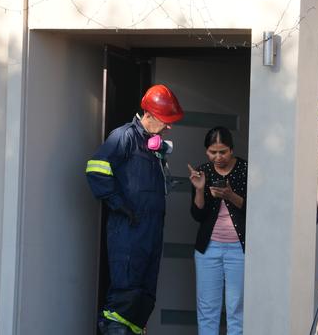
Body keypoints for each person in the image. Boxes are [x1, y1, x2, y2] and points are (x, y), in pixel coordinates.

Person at [85, 84, 184, 335]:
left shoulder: (153, 145)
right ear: (148, 115)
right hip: (128, 230)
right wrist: (119, 205)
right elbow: (96, 168)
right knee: (126, 294)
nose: (169, 126)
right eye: (165, 120)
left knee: (143, 295)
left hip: (150, 230)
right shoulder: (124, 136)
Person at [187, 126, 248, 335]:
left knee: (237, 308)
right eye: (213, 152)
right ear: (206, 151)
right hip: (208, 249)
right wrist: (199, 189)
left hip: (240, 250)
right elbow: (197, 215)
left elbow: (256, 211)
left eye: (223, 151)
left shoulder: (246, 170)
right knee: (207, 308)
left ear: (232, 150)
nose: (218, 157)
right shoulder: (202, 171)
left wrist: (230, 196)